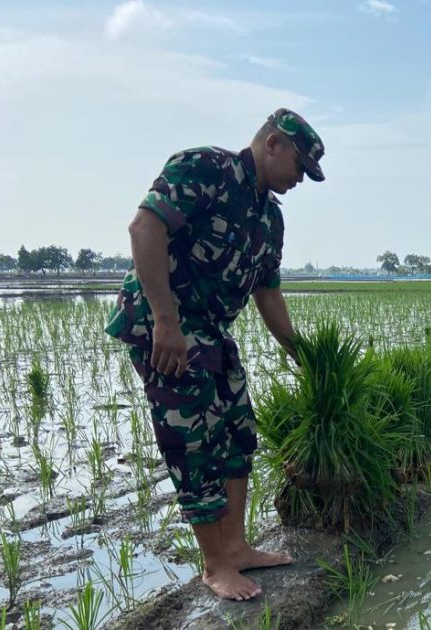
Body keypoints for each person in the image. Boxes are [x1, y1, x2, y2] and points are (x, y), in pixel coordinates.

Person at [105, 108, 326, 600]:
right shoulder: (205, 168)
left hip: (211, 332)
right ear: (273, 144)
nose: (298, 181)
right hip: (163, 327)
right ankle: (214, 565)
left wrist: (303, 352)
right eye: (299, 168)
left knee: (238, 432)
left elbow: (266, 291)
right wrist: (165, 321)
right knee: (194, 444)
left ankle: (238, 547)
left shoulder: (269, 217)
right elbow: (144, 229)